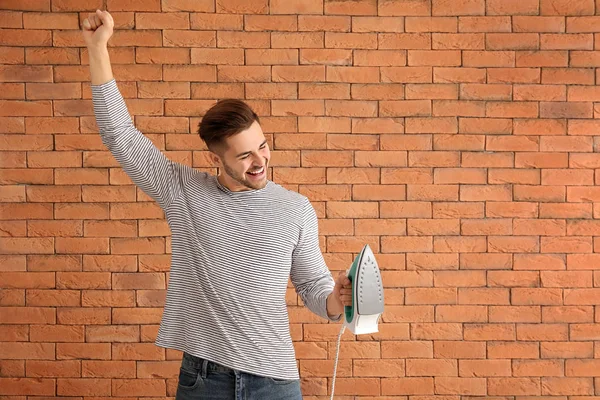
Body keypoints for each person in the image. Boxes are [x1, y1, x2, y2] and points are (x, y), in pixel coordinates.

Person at [82, 10, 352, 400]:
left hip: (275, 382)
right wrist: (97, 47)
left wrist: (336, 300)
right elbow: (118, 133)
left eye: (262, 146)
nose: (260, 161)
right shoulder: (183, 190)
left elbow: (312, 286)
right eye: (244, 156)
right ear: (215, 159)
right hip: (204, 380)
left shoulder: (296, 208)